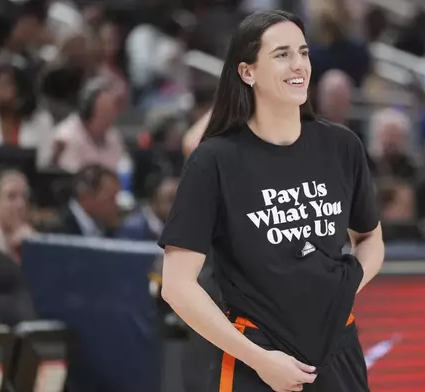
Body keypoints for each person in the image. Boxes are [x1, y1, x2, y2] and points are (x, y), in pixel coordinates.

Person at [158, 10, 384, 392]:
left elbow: (370, 239)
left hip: (338, 348)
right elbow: (177, 286)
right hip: (258, 356)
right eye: (282, 54)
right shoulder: (214, 160)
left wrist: (344, 288)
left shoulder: (342, 146)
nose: (299, 65)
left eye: (304, 52)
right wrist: (259, 360)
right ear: (247, 72)